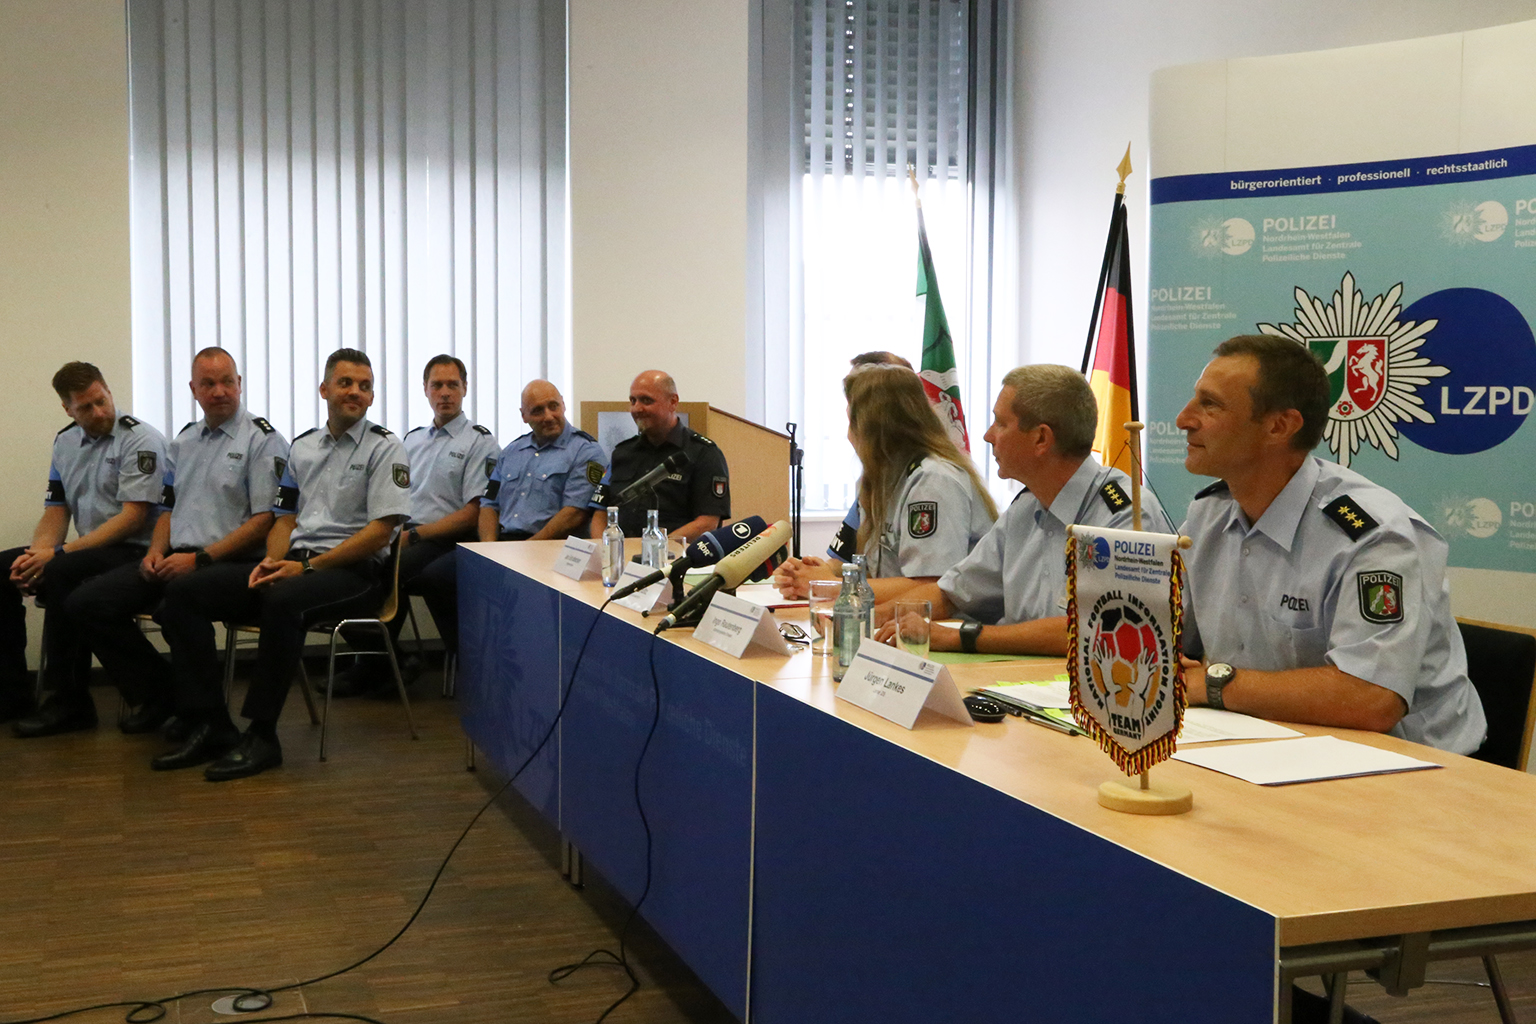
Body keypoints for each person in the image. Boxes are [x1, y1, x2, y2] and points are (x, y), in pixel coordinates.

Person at [1176, 333, 1485, 754]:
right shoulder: (1207, 514)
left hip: (1413, 768)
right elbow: (1172, 641)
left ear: (1279, 426)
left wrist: (1214, 683)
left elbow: (1371, 698)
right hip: (1266, 742)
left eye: (1210, 404)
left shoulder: (1372, 534)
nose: (1183, 419)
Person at [153, 348, 412, 779]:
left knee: (284, 602)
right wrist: (271, 562)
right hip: (296, 564)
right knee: (183, 592)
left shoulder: (386, 448)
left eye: (365, 386)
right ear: (324, 389)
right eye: (346, 383)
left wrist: (307, 569)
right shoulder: (303, 447)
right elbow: (285, 517)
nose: (356, 392)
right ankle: (211, 721)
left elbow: (380, 533)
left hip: (356, 574)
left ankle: (262, 735)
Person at [67, 348, 289, 751]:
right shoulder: (184, 441)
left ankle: (208, 720)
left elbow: (264, 523)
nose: (219, 391)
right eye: (208, 383)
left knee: (178, 601)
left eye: (227, 382)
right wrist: (155, 551)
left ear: (240, 384)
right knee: (86, 602)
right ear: (194, 389)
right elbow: (167, 508)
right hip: (180, 559)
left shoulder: (264, 440)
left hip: (236, 564)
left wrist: (201, 559)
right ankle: (164, 698)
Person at [873, 365, 1165, 655]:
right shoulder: (1025, 509)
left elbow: (1095, 629)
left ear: (1041, 438)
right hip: (1021, 682)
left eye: (1000, 423)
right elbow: (953, 592)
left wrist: (964, 637)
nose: (988, 436)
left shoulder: (1124, 512)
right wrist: (877, 619)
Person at [3, 362, 168, 737]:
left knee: (62, 570)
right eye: (86, 408)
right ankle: (12, 693)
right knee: (5, 568)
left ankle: (69, 700)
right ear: (68, 410)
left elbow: (133, 518)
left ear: (109, 391)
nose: (99, 413)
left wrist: (58, 555)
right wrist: (35, 556)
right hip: (89, 549)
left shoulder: (139, 439)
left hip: (133, 548)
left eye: (102, 401)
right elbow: (55, 512)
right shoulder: (65, 442)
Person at [334, 354, 498, 696]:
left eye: (453, 385)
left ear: (465, 388)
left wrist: (415, 535)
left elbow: (472, 512)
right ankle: (386, 661)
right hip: (405, 535)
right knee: (347, 568)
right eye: (437, 385)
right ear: (425, 390)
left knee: (390, 571)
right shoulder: (411, 440)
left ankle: (374, 664)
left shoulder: (479, 442)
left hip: (445, 537)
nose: (445, 393)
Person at [775, 363, 995, 597]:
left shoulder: (932, 481)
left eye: (852, 423)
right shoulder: (881, 481)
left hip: (950, 626)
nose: (848, 435)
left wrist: (827, 587)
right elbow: (875, 572)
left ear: (874, 429)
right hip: (899, 621)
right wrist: (814, 574)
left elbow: (931, 587)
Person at [588, 370, 730, 544]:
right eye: (633, 401)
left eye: (646, 400)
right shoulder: (622, 453)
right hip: (620, 557)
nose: (637, 409)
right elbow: (601, 512)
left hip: (674, 561)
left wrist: (655, 549)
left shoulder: (703, 453)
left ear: (673, 402)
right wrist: (604, 549)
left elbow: (707, 523)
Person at [478, 379, 606, 542]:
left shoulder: (585, 451)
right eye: (538, 410)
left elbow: (574, 514)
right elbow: (489, 505)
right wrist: (489, 551)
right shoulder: (511, 452)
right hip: (505, 545)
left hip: (549, 546)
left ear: (563, 405)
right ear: (524, 415)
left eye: (553, 406)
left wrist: (528, 547)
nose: (548, 416)